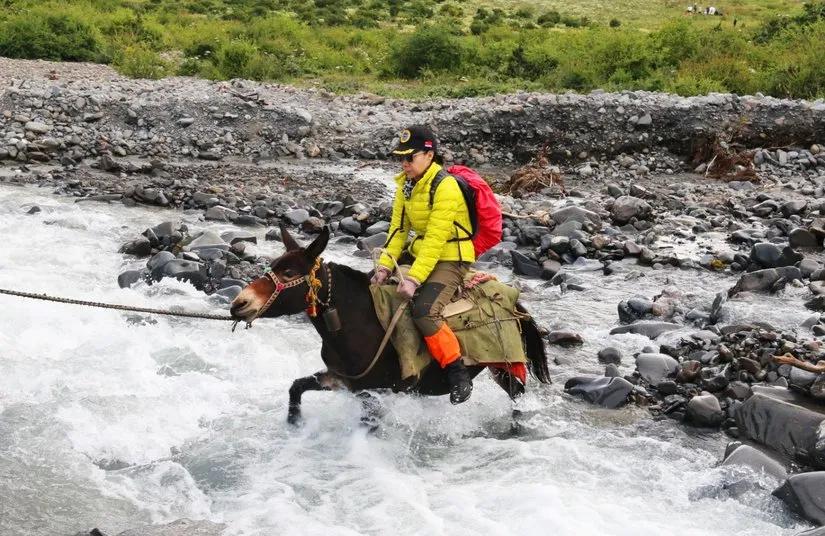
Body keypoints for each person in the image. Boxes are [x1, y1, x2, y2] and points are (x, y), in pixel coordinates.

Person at [370, 125, 475, 404]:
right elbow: (397, 231)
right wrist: (383, 267)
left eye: (410, 157)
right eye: (401, 158)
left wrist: (414, 279)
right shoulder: (405, 185)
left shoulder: (446, 186)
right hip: (422, 253)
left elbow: (436, 241)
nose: (404, 164)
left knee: (426, 311)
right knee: (375, 291)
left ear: (429, 155)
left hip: (452, 257)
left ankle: (457, 372)